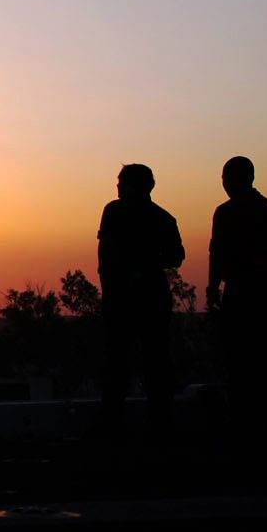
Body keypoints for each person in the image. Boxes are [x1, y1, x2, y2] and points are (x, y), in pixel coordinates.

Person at [98, 162, 185, 439]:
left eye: (121, 181)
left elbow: (106, 255)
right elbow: (176, 256)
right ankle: (161, 423)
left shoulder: (114, 211)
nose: (117, 186)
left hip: (124, 299)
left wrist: (117, 281)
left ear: (132, 186)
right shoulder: (163, 218)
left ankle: (114, 426)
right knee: (155, 360)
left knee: (119, 362)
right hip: (151, 296)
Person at [208, 155, 267, 431]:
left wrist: (213, 288)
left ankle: (245, 414)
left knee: (240, 354)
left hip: (244, 292)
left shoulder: (227, 212)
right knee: (266, 351)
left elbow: (217, 253)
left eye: (225, 178)